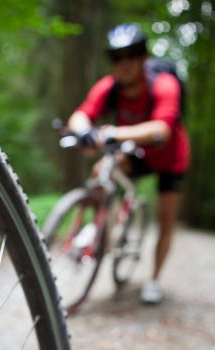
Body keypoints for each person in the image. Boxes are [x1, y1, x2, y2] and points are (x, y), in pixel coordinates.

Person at [67, 23, 190, 304]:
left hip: (170, 158)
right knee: (101, 169)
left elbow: (161, 128)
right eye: (117, 57)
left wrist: (109, 133)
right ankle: (94, 230)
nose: (124, 63)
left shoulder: (164, 84)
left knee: (166, 220)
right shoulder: (108, 87)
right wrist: (86, 132)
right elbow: (81, 114)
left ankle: (155, 280)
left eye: (132, 54)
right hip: (134, 152)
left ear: (143, 58)